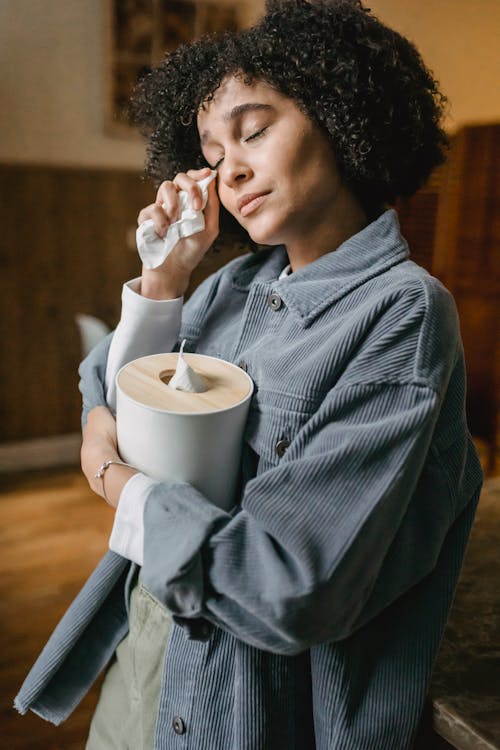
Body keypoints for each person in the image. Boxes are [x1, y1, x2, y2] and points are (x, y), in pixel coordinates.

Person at [15, 1, 483, 748]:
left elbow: (287, 587)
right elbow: (110, 394)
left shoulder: (402, 316)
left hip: (254, 713)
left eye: (254, 131)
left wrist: (112, 476)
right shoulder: (229, 287)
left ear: (340, 114)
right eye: (210, 149)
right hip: (146, 667)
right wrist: (164, 282)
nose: (229, 167)